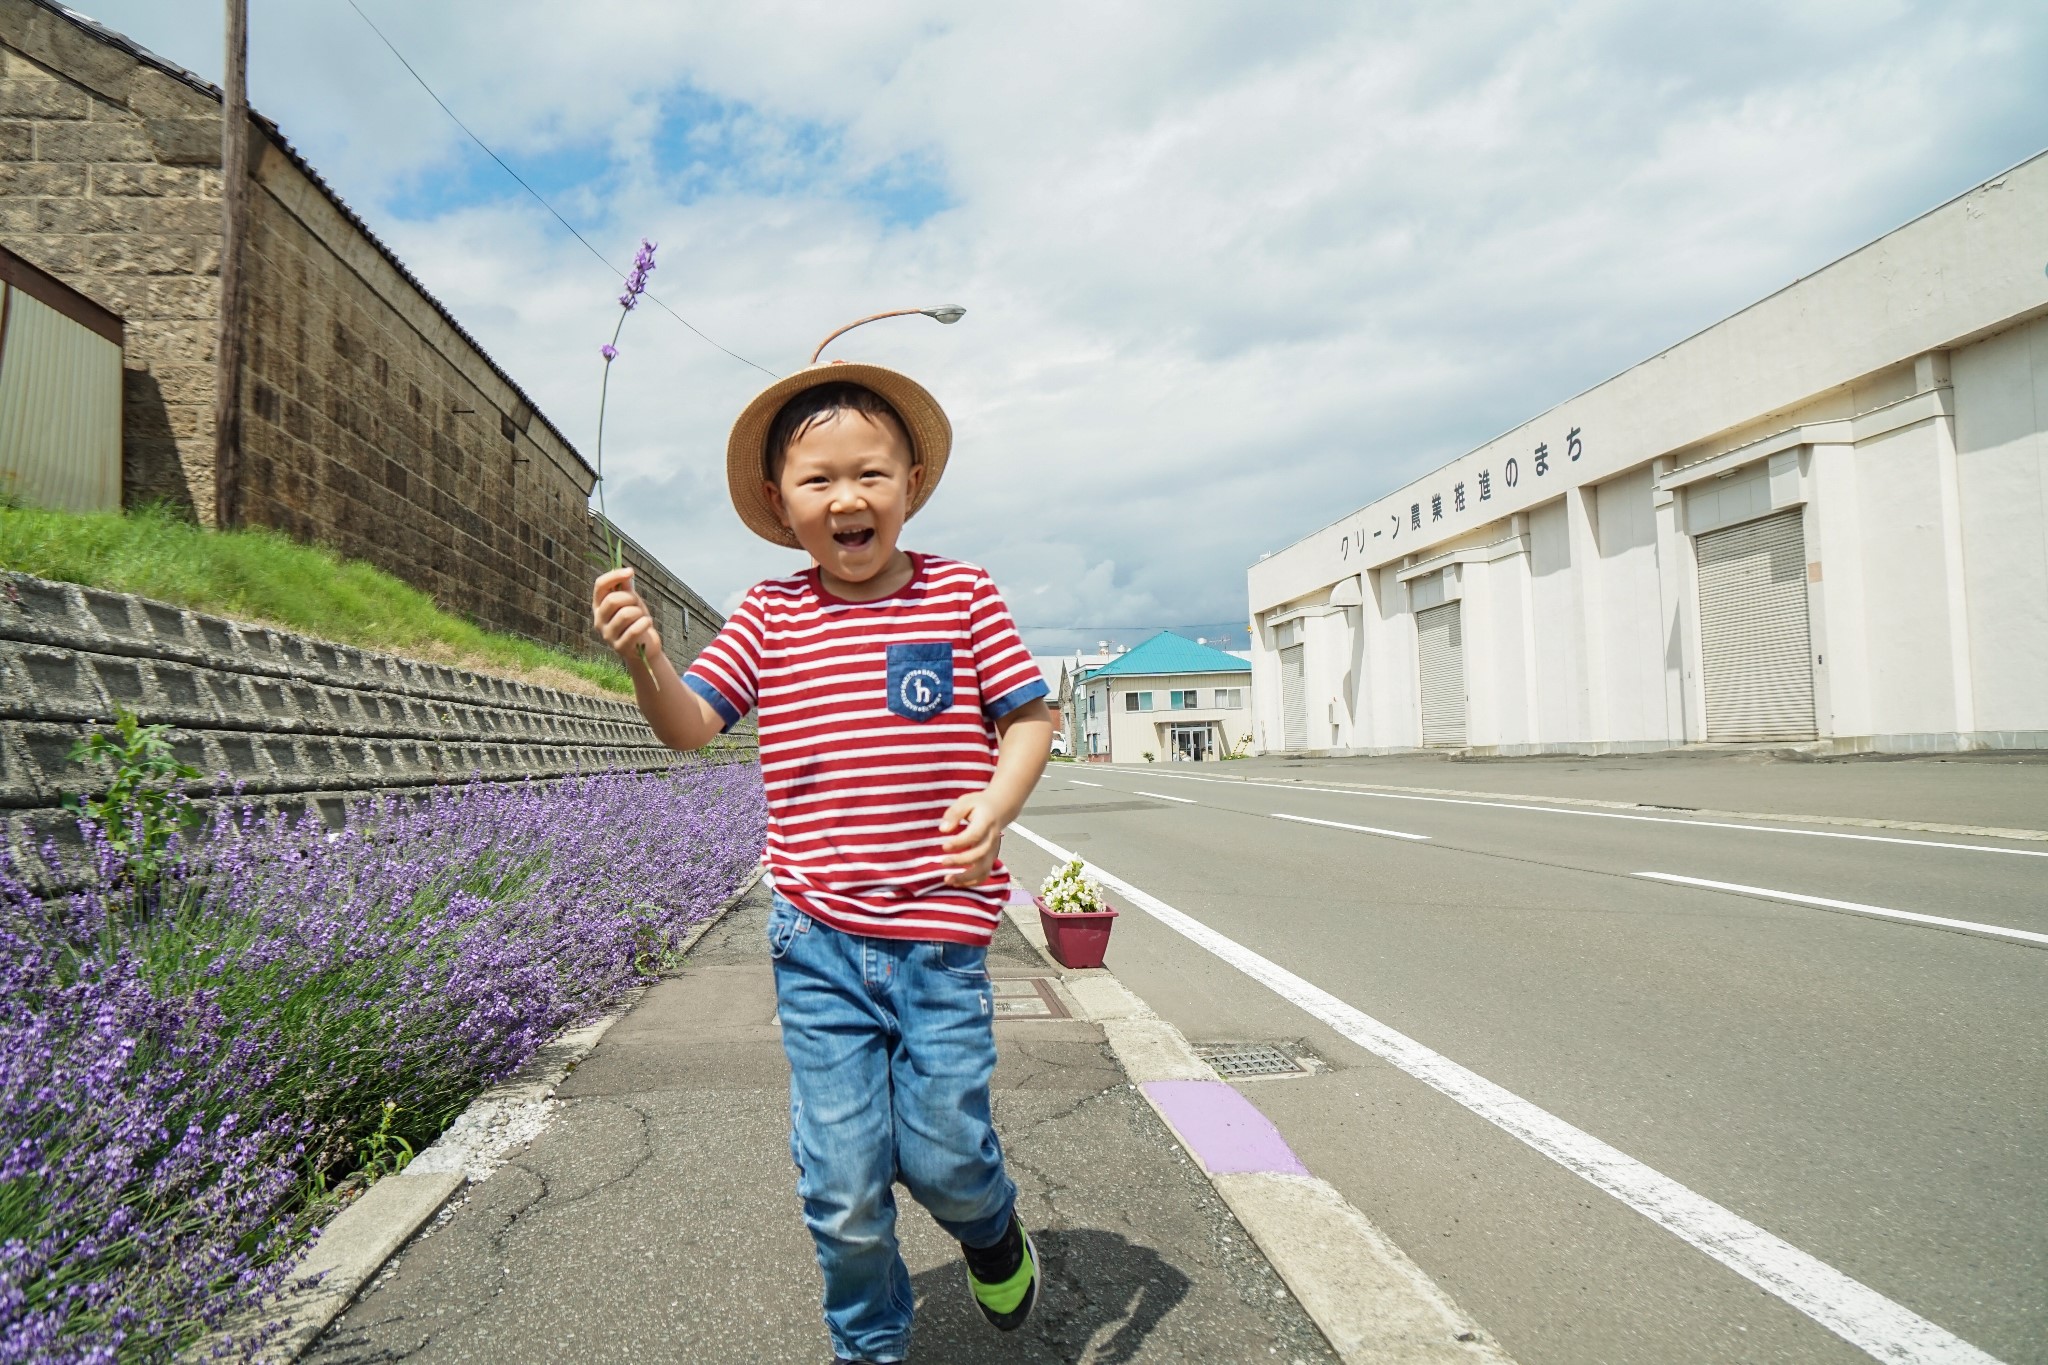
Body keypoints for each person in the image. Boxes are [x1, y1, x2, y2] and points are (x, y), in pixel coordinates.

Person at [591, 361, 1053, 1365]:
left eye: (872, 475)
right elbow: (688, 727)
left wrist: (997, 798)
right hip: (819, 944)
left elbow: (1028, 717)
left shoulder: (962, 594)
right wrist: (644, 659)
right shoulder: (766, 615)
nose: (847, 499)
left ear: (912, 482)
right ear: (777, 502)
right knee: (841, 1191)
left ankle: (988, 1227)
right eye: (818, 481)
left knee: (945, 1161)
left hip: (939, 939)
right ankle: (868, 1347)